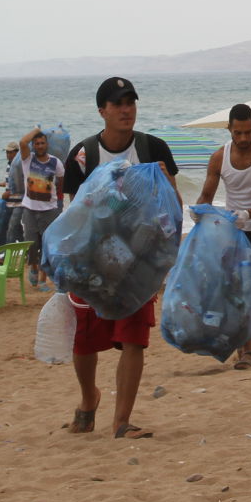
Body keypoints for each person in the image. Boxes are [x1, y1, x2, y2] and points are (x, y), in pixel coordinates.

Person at [59, 77, 180, 439]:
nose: (126, 109)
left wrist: (166, 254)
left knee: (133, 339)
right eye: (118, 104)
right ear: (102, 111)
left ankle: (122, 421)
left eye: (131, 102)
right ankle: (88, 398)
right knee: (84, 341)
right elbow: (73, 214)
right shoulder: (83, 155)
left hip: (139, 264)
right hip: (92, 262)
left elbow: (173, 205)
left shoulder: (153, 147)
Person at [197, 103, 251, 370]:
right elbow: (206, 196)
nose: (244, 138)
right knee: (242, 292)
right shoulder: (218, 158)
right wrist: (198, 212)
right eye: (238, 133)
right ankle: (247, 349)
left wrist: (249, 213)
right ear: (229, 129)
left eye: (248, 132)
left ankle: (244, 327)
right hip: (234, 234)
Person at [19, 127, 64, 287]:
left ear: (47, 145)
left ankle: (43, 279)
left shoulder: (55, 162)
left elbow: (60, 182)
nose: (39, 146)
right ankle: (33, 267)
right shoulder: (28, 159)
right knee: (31, 243)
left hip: (49, 210)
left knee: (47, 245)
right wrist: (36, 130)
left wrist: (59, 204)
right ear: (33, 145)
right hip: (30, 209)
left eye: (42, 143)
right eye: (36, 143)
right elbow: (22, 142)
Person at [0, 140, 26, 244]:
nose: (8, 155)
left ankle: (6, 255)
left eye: (11, 152)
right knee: (17, 228)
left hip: (19, 202)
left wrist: (9, 192)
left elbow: (23, 182)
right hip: (10, 202)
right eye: (7, 152)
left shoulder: (20, 165)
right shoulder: (9, 165)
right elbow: (10, 181)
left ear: (17, 152)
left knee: (12, 227)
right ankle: (27, 250)